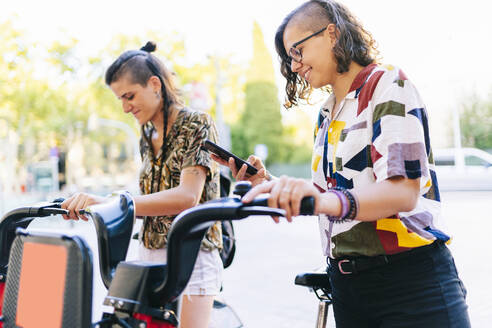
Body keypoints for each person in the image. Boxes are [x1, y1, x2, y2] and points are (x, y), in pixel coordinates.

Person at [215, 1, 471, 327]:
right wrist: (267, 184)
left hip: (410, 285)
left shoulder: (388, 85)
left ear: (332, 33)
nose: (294, 66)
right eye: (289, 58)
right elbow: (334, 195)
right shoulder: (326, 114)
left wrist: (322, 198)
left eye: (298, 51)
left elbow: (402, 192)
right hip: (348, 289)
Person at [61, 41, 223, 328]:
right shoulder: (146, 135)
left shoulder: (198, 123)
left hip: (192, 252)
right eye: (120, 99)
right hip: (149, 253)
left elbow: (188, 196)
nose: (125, 108)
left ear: (154, 84)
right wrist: (105, 205)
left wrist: (118, 205)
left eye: (129, 96)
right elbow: (152, 196)